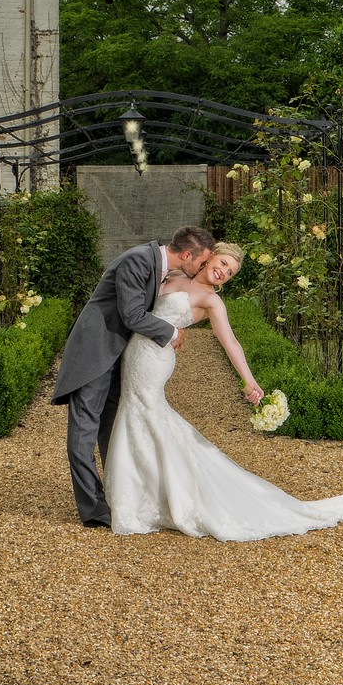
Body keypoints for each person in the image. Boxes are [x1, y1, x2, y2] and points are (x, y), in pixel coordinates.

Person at [103, 242, 343, 540]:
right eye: (223, 263)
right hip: (134, 351)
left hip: (155, 359)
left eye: (230, 272)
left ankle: (148, 497)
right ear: (210, 256)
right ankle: (145, 490)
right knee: (136, 414)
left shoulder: (212, 301)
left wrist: (250, 381)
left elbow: (231, 342)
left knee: (145, 412)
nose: (224, 272)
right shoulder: (175, 274)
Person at [51, 225, 217, 528]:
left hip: (117, 355)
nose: (204, 267)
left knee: (112, 428)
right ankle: (93, 510)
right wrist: (171, 332)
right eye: (203, 262)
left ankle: (118, 495)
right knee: (83, 432)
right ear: (187, 255)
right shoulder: (137, 260)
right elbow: (131, 315)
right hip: (95, 351)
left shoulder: (159, 266)